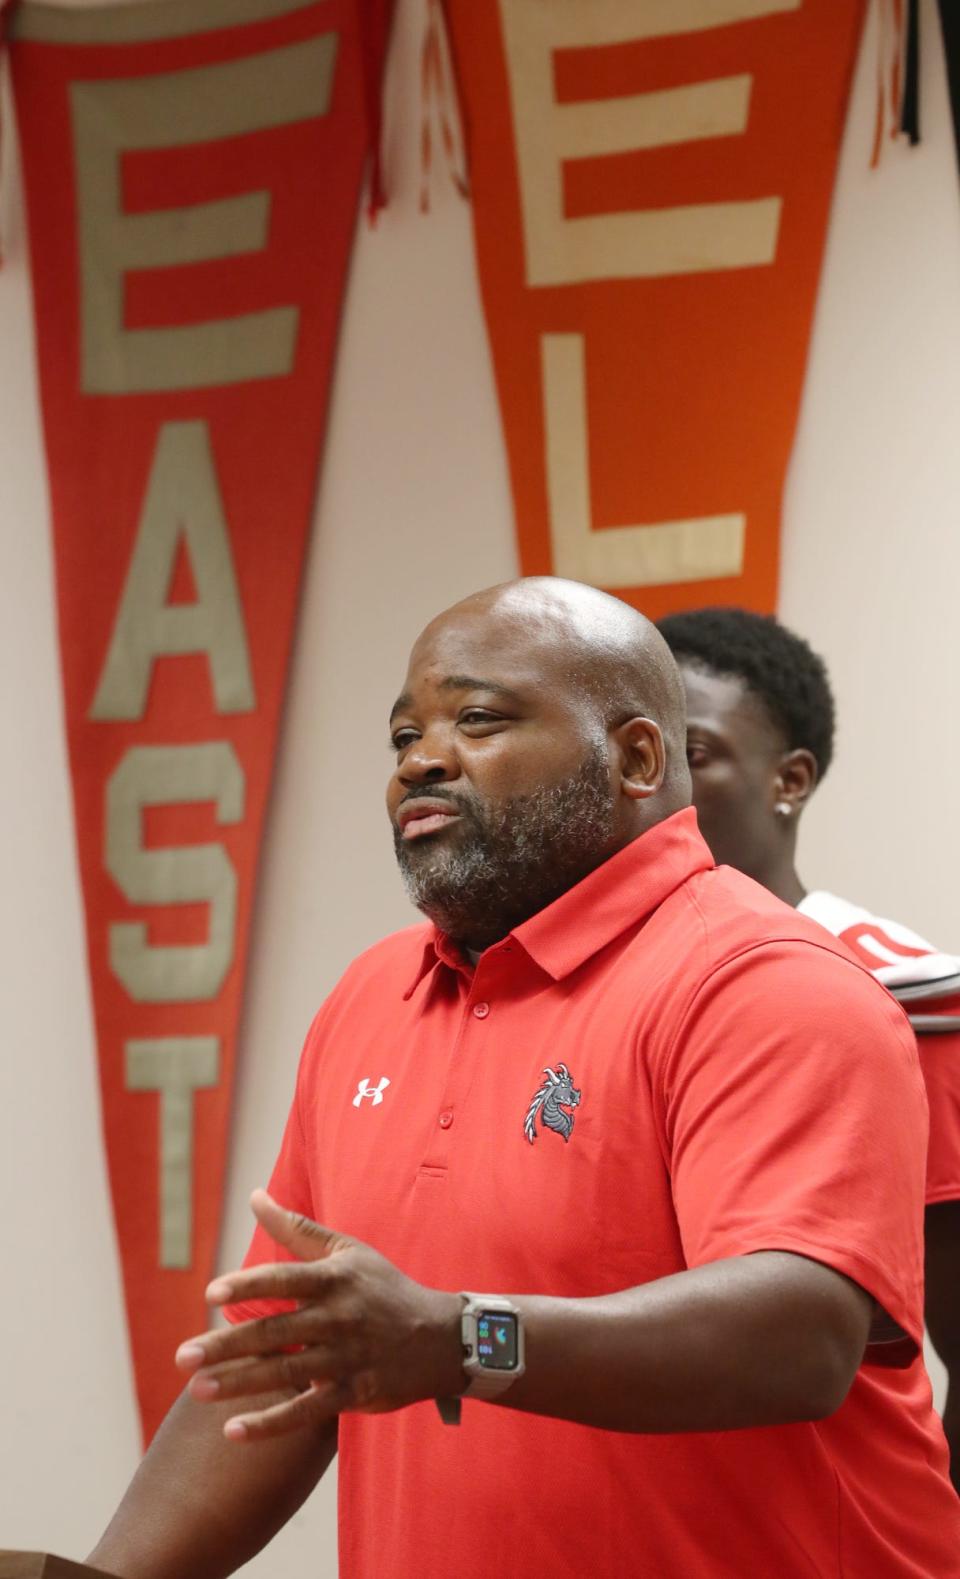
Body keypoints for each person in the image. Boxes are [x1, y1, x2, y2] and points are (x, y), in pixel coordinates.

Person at [89, 578, 960, 1579]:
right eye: (403, 735)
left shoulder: (768, 982)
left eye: (476, 718)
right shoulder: (370, 999)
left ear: (636, 757)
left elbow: (799, 1337)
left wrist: (463, 1338)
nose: (421, 759)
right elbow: (284, 1357)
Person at [658, 603, 960, 1490]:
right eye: (630, 748)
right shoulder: (556, 990)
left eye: (692, 751)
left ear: (788, 779)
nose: (650, 782)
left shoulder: (907, 1003)